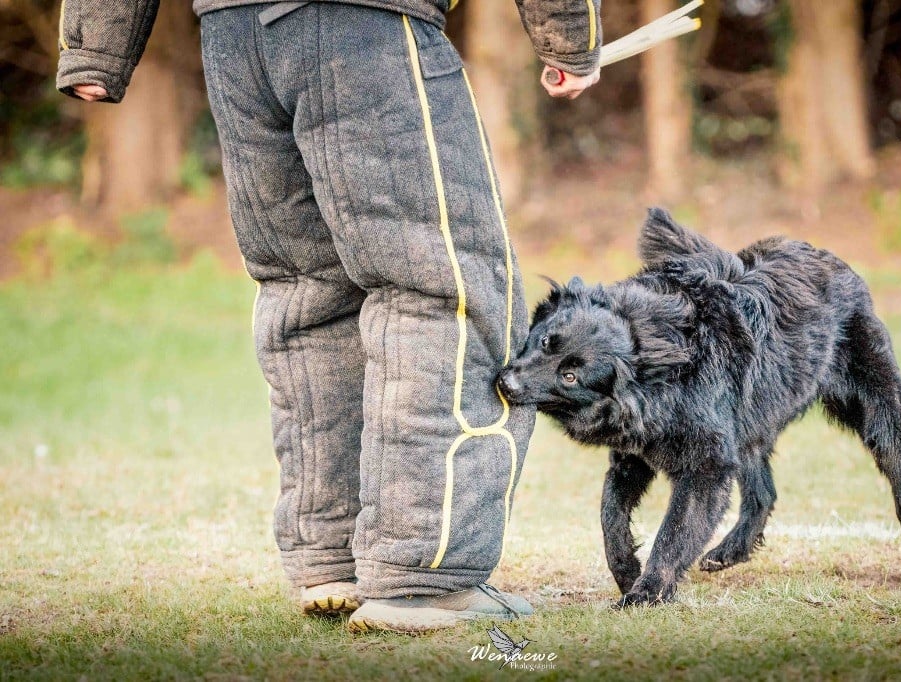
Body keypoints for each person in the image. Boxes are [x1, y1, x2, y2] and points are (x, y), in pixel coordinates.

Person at [57, 0, 601, 634]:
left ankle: (334, 558)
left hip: (236, 38)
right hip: (367, 27)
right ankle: (421, 575)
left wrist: (95, 42)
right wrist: (569, 35)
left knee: (307, 289)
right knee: (442, 284)